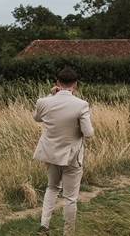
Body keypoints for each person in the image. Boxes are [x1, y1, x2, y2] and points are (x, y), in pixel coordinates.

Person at [34, 67, 94, 236]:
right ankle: (68, 232)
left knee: (51, 188)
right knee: (70, 198)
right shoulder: (81, 105)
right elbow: (89, 133)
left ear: (57, 83)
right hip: (72, 157)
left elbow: (37, 118)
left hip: (51, 154)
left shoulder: (43, 101)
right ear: (75, 84)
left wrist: (52, 95)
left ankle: (44, 226)